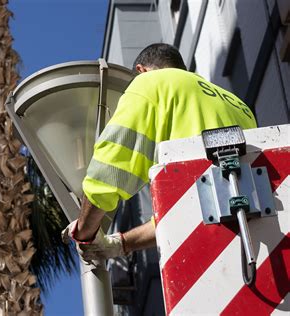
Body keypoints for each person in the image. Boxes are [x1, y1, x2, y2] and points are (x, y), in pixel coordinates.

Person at [62, 43, 257, 261]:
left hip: (204, 247)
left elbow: (110, 169)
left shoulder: (149, 83)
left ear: (140, 70)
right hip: (257, 237)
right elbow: (196, 203)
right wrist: (120, 244)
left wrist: (84, 232)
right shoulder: (238, 104)